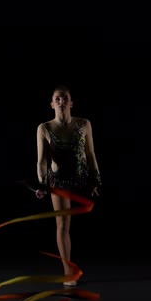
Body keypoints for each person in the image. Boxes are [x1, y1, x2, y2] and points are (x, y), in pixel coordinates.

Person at [35, 85, 102, 287]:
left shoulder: (84, 124)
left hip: (81, 179)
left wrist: (95, 179)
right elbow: (42, 161)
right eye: (57, 99)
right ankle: (68, 272)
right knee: (63, 225)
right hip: (60, 180)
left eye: (65, 98)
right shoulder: (44, 128)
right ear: (51, 104)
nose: (61, 102)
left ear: (71, 102)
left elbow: (90, 154)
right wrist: (42, 184)